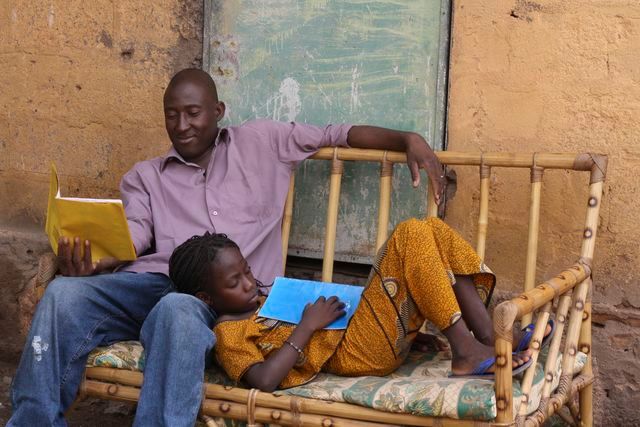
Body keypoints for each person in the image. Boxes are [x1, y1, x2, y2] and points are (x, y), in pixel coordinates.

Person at [9, 68, 449, 426]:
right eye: (172, 114)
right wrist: (95, 261)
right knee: (64, 293)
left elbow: (338, 132)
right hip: (153, 282)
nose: (182, 125)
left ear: (218, 111)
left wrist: (405, 138)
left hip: (226, 300)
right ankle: (32, 421)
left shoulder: (262, 141)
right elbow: (135, 237)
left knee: (177, 309)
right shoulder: (146, 176)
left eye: (194, 113)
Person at [169, 219, 535, 392]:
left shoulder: (265, 301)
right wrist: (307, 326)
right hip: (355, 354)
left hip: (362, 335)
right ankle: (469, 349)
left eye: (247, 272)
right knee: (409, 234)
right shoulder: (227, 333)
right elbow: (263, 380)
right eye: (235, 282)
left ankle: (487, 337)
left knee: (429, 229)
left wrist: (407, 336)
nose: (249, 283)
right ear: (206, 298)